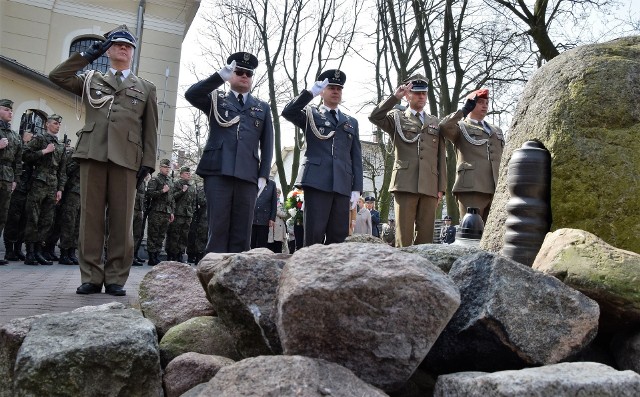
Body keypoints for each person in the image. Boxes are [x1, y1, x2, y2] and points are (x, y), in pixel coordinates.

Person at [49, 25, 158, 295]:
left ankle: (116, 279)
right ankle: (91, 276)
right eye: (118, 44)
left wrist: (149, 162)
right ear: (109, 50)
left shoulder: (145, 87)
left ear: (133, 53)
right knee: (91, 218)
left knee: (122, 221)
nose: (123, 48)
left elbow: (150, 129)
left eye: (128, 46)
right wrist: (88, 54)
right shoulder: (90, 80)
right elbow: (57, 76)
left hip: (127, 160)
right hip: (93, 153)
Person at [185, 51, 274, 253]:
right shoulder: (216, 99)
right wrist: (219, 77)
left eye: (248, 73)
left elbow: (267, 144)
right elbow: (192, 95)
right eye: (239, 71)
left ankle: (236, 279)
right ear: (231, 74)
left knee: (242, 233)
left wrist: (263, 176)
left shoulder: (262, 107)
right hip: (218, 171)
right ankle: (212, 277)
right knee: (217, 229)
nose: (244, 76)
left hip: (248, 174)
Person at [369, 75, 471, 247]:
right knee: (404, 237)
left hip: (430, 186)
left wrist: (441, 188)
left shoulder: (435, 122)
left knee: (426, 238)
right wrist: (395, 97)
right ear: (408, 95)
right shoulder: (397, 118)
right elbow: (375, 117)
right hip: (405, 184)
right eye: (417, 93)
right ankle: (401, 273)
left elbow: (441, 157)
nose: (421, 96)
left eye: (424, 93)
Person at [281, 69, 363, 246]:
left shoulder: (351, 122)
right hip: (317, 182)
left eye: (339, 88)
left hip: (342, 184)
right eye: (331, 87)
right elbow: (288, 112)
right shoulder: (311, 114)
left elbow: (355, 156)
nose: (335, 91)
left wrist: (357, 189)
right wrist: (310, 93)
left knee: (339, 236)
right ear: (323, 91)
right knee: (314, 234)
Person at [441, 88, 504, 223]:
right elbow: (444, 126)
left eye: (487, 102)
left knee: (491, 237)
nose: (485, 105)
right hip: (471, 188)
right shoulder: (461, 127)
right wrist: (463, 111)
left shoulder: (496, 130)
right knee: (471, 232)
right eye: (480, 102)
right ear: (470, 104)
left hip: (496, 189)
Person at [22, 114, 67, 266]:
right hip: (38, 182)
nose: (57, 126)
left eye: (59, 124)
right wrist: (44, 151)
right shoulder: (40, 139)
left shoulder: (60, 145)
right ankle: (30, 252)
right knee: (33, 217)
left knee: (47, 220)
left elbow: (62, 170)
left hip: (52, 185)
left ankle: (39, 251)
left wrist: (60, 189)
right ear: (47, 124)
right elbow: (25, 155)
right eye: (55, 123)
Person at [3, 123, 32, 262]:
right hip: (17, 189)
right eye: (28, 136)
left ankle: (18, 249)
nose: (30, 138)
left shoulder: (30, 150)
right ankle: (9, 250)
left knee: (23, 220)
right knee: (12, 219)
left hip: (26, 188)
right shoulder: (21, 146)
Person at [0, 99, 22, 265]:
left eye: (11, 110)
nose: (10, 112)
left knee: (2, 215)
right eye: (6, 109)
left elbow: (18, 161)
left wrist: (15, 179)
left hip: (7, 178)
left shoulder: (15, 136)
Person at [146, 159, 174, 266]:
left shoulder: (170, 181)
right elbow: (150, 194)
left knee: (161, 235)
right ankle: (151, 257)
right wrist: (162, 191)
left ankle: (157, 255)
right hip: (156, 211)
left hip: (166, 212)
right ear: (161, 168)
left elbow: (171, 199)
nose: (167, 169)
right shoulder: (155, 180)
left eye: (168, 167)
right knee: (153, 234)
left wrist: (172, 212)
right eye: (165, 167)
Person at [165, 165, 196, 262]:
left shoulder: (192, 187)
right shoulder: (176, 184)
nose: (188, 175)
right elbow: (172, 197)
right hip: (178, 214)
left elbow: (194, 201)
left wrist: (192, 211)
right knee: (174, 235)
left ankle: (180, 255)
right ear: (181, 175)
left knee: (184, 236)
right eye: (186, 173)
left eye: (189, 173)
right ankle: (172, 255)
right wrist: (182, 191)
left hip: (187, 215)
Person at [58, 147, 81, 265]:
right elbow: (66, 170)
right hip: (72, 192)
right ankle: (64, 252)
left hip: (84, 193)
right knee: (69, 223)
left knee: (78, 225)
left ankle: (72, 252)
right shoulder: (74, 153)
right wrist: (79, 161)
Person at [251, 178, 277, 249]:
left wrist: (272, 218)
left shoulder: (272, 184)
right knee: (251, 242)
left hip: (264, 219)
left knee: (262, 244)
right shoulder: (253, 180)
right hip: (251, 218)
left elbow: (274, 203)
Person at [267, 187, 288, 254]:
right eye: (275, 193)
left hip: (279, 228)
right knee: (270, 245)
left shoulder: (282, 204)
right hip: (271, 226)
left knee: (278, 246)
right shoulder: (268, 202)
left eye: (278, 193)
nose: (276, 195)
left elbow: (285, 214)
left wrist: (275, 209)